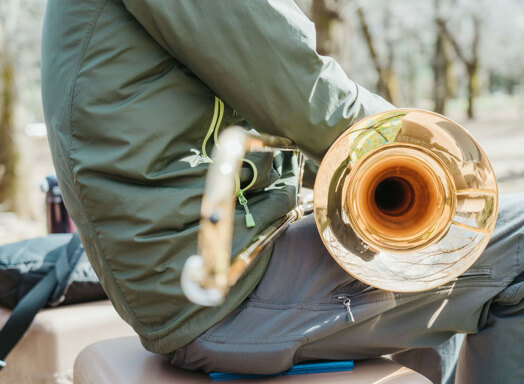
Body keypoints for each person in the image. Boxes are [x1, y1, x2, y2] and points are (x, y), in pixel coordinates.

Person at [41, 1, 523, 383]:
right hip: (220, 291)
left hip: (192, 273)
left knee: (433, 252)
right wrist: (435, 159)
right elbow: (301, 89)